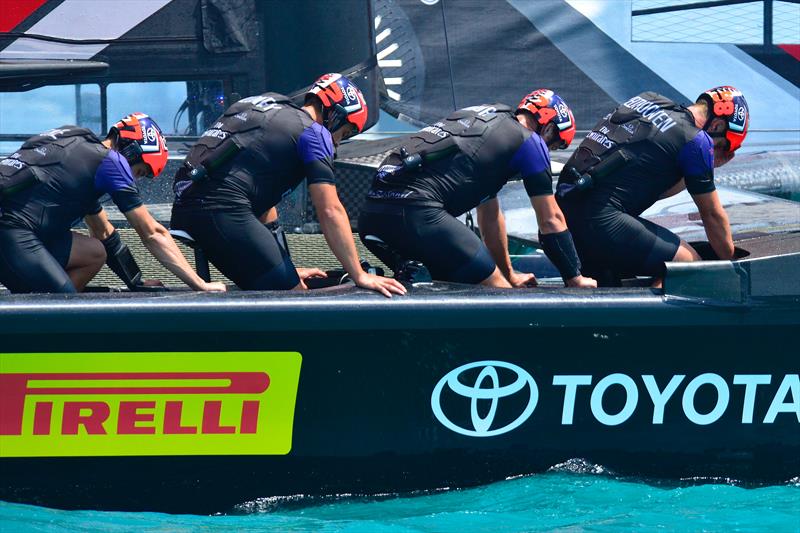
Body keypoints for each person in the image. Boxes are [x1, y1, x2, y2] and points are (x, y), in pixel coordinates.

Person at [170, 73, 406, 297]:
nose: (337, 143)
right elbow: (330, 210)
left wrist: (286, 269)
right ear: (335, 115)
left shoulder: (265, 105)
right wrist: (359, 274)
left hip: (186, 208)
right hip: (222, 212)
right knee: (296, 302)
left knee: (285, 285)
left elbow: (262, 201)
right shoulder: (314, 134)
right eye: (343, 133)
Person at [358, 89, 597, 288]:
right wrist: (574, 277)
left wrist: (510, 274)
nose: (549, 150)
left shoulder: (485, 124)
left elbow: (490, 216)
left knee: (448, 287)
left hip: (372, 216)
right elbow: (551, 219)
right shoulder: (530, 142)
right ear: (548, 128)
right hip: (418, 215)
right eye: (554, 144)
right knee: (498, 294)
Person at [0, 113, 226, 294]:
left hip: (20, 229)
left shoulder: (79, 149)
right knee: (60, 307)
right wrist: (200, 284)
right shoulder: (111, 163)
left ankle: (50, 300)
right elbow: (152, 232)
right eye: (139, 171)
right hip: (12, 232)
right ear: (131, 150)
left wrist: (136, 282)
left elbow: (103, 231)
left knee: (94, 252)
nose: (134, 179)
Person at [555, 86, 749, 287]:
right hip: (599, 221)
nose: (716, 152)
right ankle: (653, 317)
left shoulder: (649, 99)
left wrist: (705, 165)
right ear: (716, 125)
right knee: (687, 265)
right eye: (723, 147)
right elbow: (712, 215)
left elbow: (648, 187)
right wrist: (734, 265)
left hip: (564, 209)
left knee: (608, 283)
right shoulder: (696, 141)